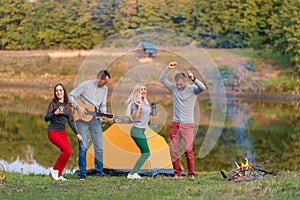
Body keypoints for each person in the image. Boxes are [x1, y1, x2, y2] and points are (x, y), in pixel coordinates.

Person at [159, 61, 206, 179]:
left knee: (188, 150)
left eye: (181, 84)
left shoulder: (192, 89)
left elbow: (203, 87)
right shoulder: (174, 88)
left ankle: (191, 173)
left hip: (188, 124)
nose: (179, 86)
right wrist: (168, 68)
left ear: (185, 81)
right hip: (175, 123)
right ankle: (177, 173)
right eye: (177, 84)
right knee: (173, 150)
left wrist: (194, 78)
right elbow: (162, 79)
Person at [68, 70, 111, 180]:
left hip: (95, 119)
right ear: (99, 79)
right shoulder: (85, 85)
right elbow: (70, 96)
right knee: (83, 147)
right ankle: (82, 173)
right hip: (82, 119)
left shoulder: (105, 89)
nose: (106, 84)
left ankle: (99, 172)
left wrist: (104, 113)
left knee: (99, 147)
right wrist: (78, 107)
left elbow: (103, 105)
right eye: (105, 82)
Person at [44, 83, 82, 181]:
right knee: (66, 150)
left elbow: (71, 121)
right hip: (53, 131)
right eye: (57, 91)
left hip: (62, 132)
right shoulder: (53, 104)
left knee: (67, 152)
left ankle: (59, 174)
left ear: (64, 92)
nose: (59, 92)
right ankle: (54, 169)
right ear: (55, 93)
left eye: (60, 90)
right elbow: (46, 118)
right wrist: (55, 113)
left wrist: (77, 133)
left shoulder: (67, 105)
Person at [125, 84, 151, 179]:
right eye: (141, 90)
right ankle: (132, 174)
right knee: (146, 153)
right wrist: (139, 107)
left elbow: (145, 117)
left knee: (145, 153)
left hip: (142, 130)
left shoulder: (145, 102)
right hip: (136, 131)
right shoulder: (135, 103)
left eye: (145, 89)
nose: (144, 91)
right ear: (137, 92)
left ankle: (134, 173)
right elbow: (135, 118)